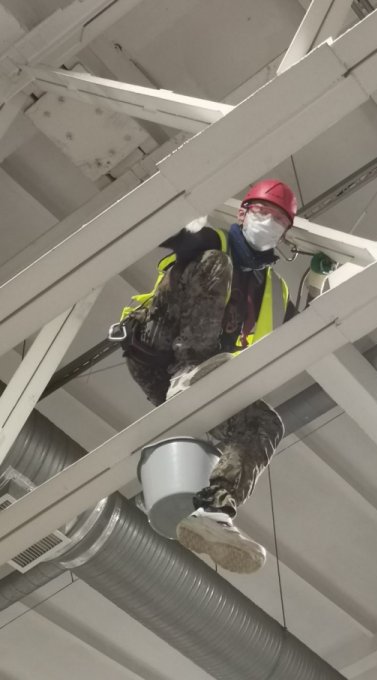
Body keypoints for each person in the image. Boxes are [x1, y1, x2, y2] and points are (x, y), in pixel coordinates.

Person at [114, 179, 298, 574]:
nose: (269, 222)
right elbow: (169, 237)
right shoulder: (212, 241)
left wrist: (317, 283)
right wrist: (181, 216)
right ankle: (190, 371)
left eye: (279, 219)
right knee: (217, 262)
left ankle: (215, 513)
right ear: (243, 213)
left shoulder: (275, 289)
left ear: (286, 232)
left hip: (205, 376)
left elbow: (303, 328)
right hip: (158, 347)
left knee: (266, 422)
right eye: (263, 212)